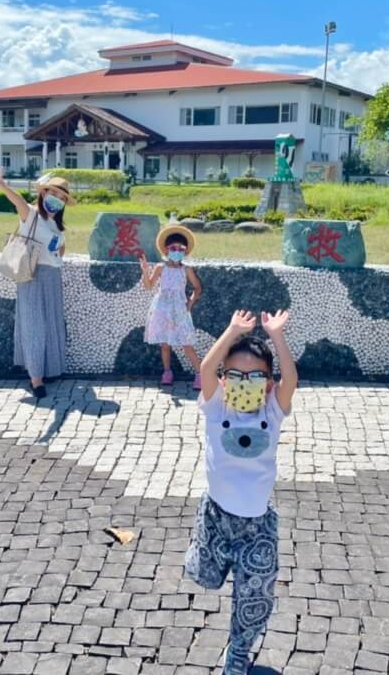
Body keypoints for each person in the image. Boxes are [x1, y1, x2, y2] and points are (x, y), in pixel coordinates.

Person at [185, 309, 297, 675]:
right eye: (235, 374)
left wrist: (276, 336)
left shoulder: (273, 410)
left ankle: (237, 655)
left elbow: (290, 379)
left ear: (268, 382)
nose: (244, 380)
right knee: (204, 576)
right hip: (216, 519)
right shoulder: (216, 406)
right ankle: (200, 555)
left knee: (254, 596)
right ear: (224, 379)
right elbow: (205, 370)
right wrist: (232, 331)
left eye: (255, 375)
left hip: (257, 527)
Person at [0, 168, 75, 398]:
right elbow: (18, 202)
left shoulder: (57, 225)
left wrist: (56, 259)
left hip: (52, 277)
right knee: (33, 323)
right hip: (31, 274)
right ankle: (35, 378)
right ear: (44, 192)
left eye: (62, 198)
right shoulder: (32, 215)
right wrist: (2, 185)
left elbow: (61, 249)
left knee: (50, 323)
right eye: (54, 194)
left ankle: (49, 369)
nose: (57, 200)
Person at [140, 225, 203, 389]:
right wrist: (145, 271)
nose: (177, 251)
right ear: (166, 250)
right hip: (162, 308)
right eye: (173, 248)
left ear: (185, 250)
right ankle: (167, 372)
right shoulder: (161, 267)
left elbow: (197, 287)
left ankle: (200, 374)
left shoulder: (186, 269)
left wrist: (190, 302)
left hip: (180, 309)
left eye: (181, 248)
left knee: (186, 343)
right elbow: (148, 286)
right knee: (165, 344)